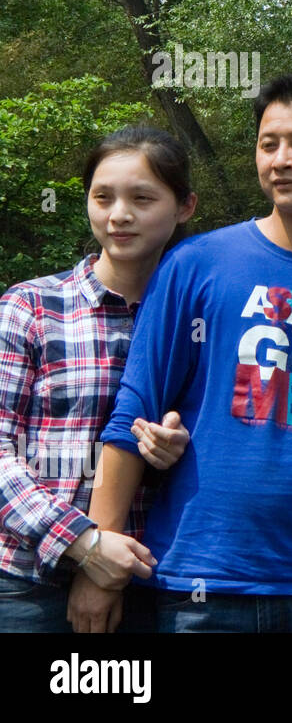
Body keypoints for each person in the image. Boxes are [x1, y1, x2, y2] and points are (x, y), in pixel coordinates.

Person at [78, 74, 292, 633]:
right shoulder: (197, 266)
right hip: (198, 583)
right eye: (268, 145)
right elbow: (135, 411)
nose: (280, 160)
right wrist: (98, 565)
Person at [0, 126, 197, 633]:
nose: (119, 215)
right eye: (102, 197)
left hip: (153, 581)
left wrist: (176, 446)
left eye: (142, 198)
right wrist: (83, 542)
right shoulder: (31, 308)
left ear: (184, 207)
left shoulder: (198, 320)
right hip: (28, 582)